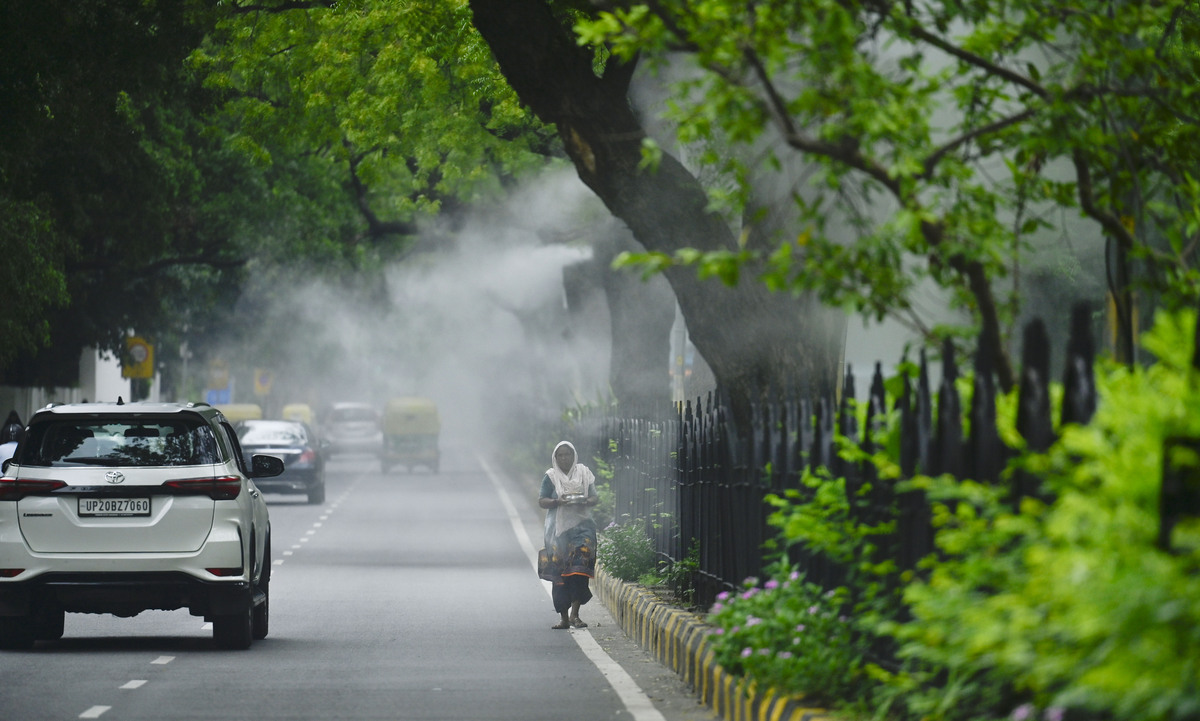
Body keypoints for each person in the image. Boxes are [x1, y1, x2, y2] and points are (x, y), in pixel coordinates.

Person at [538, 440, 599, 630]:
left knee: (579, 570)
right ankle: (564, 618)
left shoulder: (584, 473)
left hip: (583, 527)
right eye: (561, 455)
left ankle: (575, 615)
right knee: (560, 573)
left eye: (568, 454)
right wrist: (557, 502)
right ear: (555, 458)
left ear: (574, 456)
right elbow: (542, 500)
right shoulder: (550, 477)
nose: (564, 458)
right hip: (557, 531)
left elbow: (594, 497)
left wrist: (585, 501)